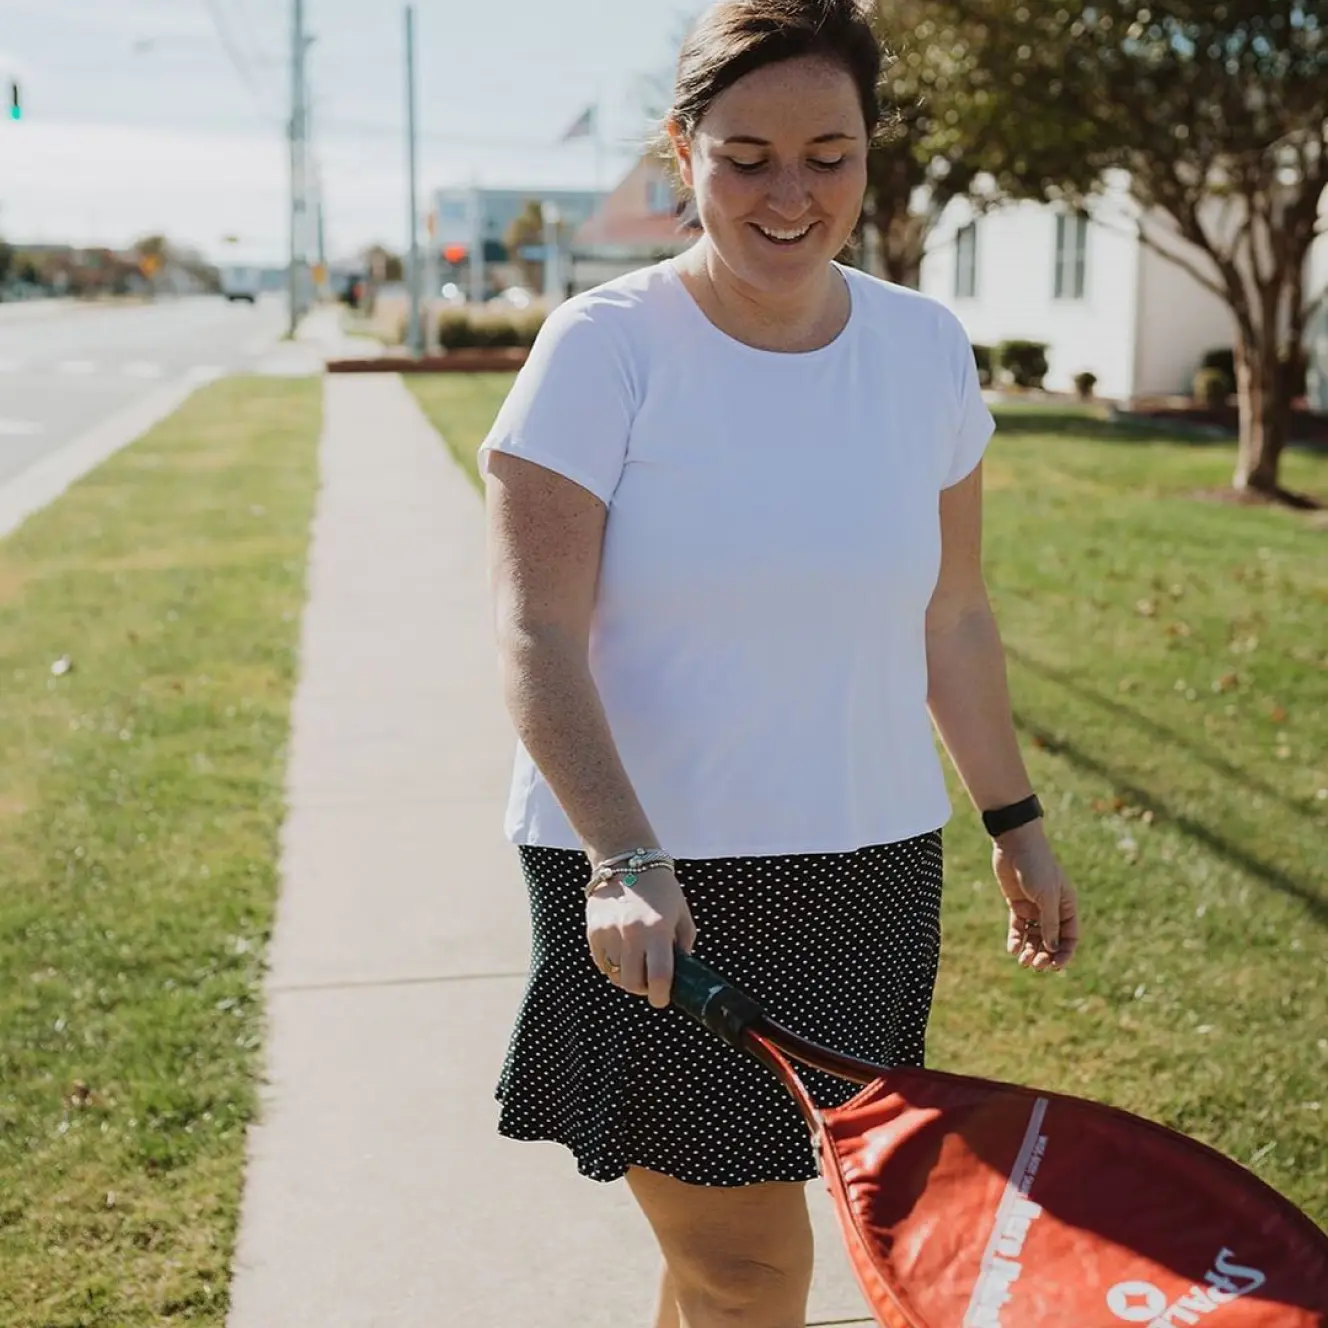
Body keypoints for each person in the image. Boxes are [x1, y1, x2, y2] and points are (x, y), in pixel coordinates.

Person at [478, 1, 1081, 1324]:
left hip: (863, 869)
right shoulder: (606, 348)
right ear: (682, 148)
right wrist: (625, 859)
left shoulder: (922, 349)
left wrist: (1016, 818)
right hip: (653, 879)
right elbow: (535, 631)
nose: (790, 192)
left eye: (830, 153)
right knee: (753, 1267)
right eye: (746, 155)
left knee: (731, 1252)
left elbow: (954, 615)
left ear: (872, 155)